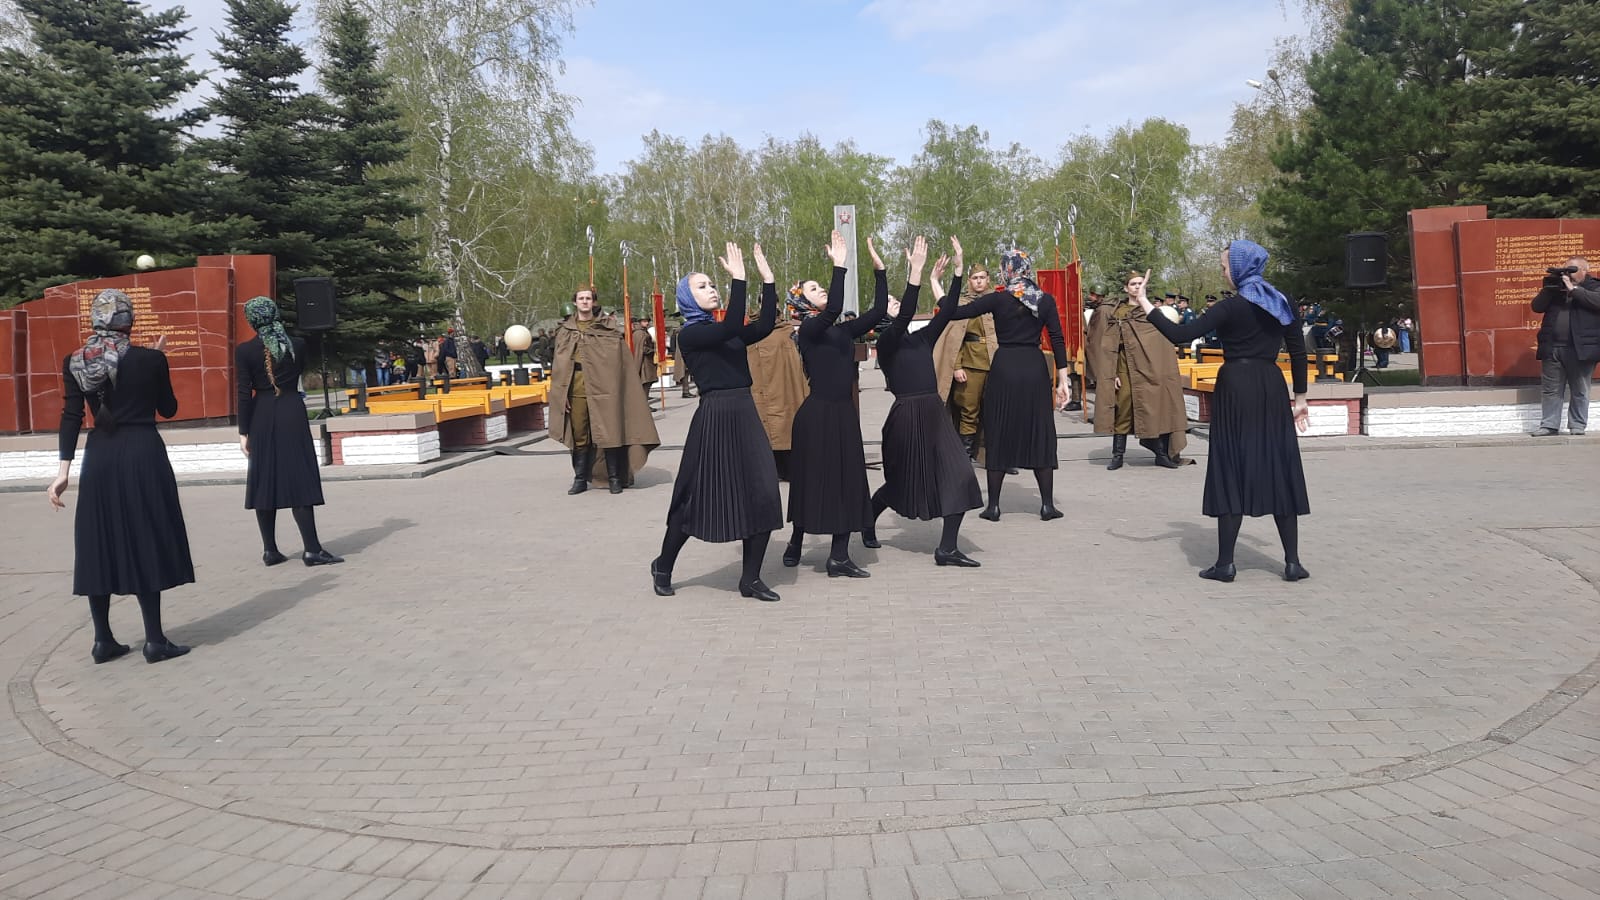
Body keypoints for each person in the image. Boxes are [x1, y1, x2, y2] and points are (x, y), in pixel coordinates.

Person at [1139, 241, 1311, 583]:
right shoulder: (1282, 301)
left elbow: (1180, 334)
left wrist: (1144, 301)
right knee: (1279, 464)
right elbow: (1298, 352)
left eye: (1224, 267)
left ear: (1240, 267)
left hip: (1235, 387)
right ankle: (1293, 563)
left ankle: (1226, 564)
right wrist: (1301, 398)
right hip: (1272, 386)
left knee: (1231, 465)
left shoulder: (1230, 307)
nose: (1223, 273)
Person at [48, 289, 194, 664]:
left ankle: (103, 640)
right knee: (145, 534)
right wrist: (158, 361)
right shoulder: (150, 359)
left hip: (100, 456)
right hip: (143, 452)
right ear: (128, 320)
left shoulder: (75, 360)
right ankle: (155, 640)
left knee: (98, 541)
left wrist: (62, 472)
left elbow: (71, 416)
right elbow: (168, 408)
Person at [651, 243, 784, 602]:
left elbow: (765, 326)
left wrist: (767, 280)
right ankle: (663, 565)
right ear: (687, 298)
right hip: (714, 417)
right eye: (703, 286)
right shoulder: (691, 334)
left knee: (763, 493)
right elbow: (730, 329)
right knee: (695, 498)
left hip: (745, 414)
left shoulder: (724, 329)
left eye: (713, 284)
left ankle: (750, 580)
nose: (712, 289)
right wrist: (738, 279)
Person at [867, 237, 984, 566]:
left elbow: (948, 312)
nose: (895, 304)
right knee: (901, 484)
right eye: (890, 302)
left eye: (895, 300)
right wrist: (915, 272)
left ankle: (946, 549)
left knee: (960, 476)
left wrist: (957, 271)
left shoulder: (922, 338)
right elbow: (905, 314)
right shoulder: (886, 344)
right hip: (907, 416)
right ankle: (867, 520)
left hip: (933, 413)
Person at [782, 231, 887, 577]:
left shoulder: (842, 331)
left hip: (844, 415)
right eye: (813, 289)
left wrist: (880, 270)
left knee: (848, 481)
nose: (822, 290)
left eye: (821, 286)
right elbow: (835, 308)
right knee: (811, 481)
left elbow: (879, 311)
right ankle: (796, 539)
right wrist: (839, 266)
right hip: (817, 416)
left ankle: (838, 557)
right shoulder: (809, 331)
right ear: (801, 301)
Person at [944, 247, 1071, 521]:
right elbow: (1057, 340)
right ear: (1027, 268)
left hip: (1004, 368)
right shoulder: (1044, 300)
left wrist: (940, 280)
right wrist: (1064, 380)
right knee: (1039, 431)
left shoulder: (998, 300)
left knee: (999, 430)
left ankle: (993, 507)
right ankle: (1047, 506)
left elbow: (954, 312)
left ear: (1006, 270)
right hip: (1034, 369)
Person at [237, 298, 344, 568]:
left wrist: (243, 432)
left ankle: (270, 550)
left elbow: (243, 394)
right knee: (300, 477)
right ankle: (312, 549)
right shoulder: (297, 344)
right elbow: (297, 373)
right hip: (291, 411)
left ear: (252, 320)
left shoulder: (244, 351)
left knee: (264, 479)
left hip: (261, 415)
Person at [547, 287, 660, 494]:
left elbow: (619, 362)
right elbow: (559, 366)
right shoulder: (566, 331)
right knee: (580, 434)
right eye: (581, 298)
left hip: (606, 388)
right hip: (577, 387)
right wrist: (561, 394)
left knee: (610, 431)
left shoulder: (607, 329)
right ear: (575, 302)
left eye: (588, 298)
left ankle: (614, 477)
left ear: (594, 302)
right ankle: (580, 479)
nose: (584, 302)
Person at [1085, 272, 1190, 470]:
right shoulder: (1117, 312)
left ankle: (1161, 454)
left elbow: (1162, 345)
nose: (1136, 287)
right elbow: (1105, 345)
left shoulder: (1153, 313)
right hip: (1125, 367)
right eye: (1133, 284)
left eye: (1140, 283)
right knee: (1123, 409)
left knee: (1157, 408)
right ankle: (1117, 455)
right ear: (1126, 288)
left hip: (1151, 370)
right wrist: (1112, 373)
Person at [931, 261, 998, 460]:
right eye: (975, 278)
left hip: (995, 361)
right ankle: (965, 455)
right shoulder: (961, 303)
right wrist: (957, 366)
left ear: (988, 279)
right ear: (969, 281)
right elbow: (954, 339)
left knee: (996, 410)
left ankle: (996, 456)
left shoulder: (996, 301)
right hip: (970, 364)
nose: (979, 282)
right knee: (969, 410)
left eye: (982, 278)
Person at [1530, 257, 1600, 437]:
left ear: (1584, 270)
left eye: (1572, 270)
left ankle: (1577, 425)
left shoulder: (1594, 287)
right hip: (1552, 348)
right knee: (1551, 390)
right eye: (1565, 270)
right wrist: (1548, 289)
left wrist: (1573, 290)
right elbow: (1537, 307)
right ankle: (1549, 425)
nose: (1568, 274)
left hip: (1580, 349)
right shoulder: (1556, 289)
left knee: (1580, 390)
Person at [748, 287, 809, 479]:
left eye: (772, 301)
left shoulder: (787, 329)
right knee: (766, 428)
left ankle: (789, 468)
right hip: (761, 386)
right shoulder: (752, 330)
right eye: (764, 301)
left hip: (785, 386)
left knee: (787, 426)